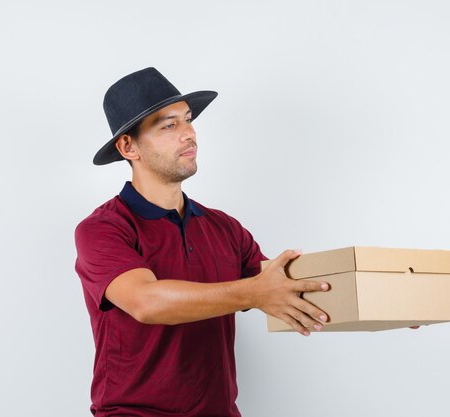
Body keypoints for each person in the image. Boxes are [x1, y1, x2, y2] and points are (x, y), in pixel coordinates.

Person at [74, 67, 330, 417]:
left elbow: (287, 288)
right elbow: (146, 302)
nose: (189, 134)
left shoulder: (224, 228)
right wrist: (254, 292)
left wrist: (385, 299)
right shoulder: (103, 229)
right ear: (127, 146)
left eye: (188, 120)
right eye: (169, 125)